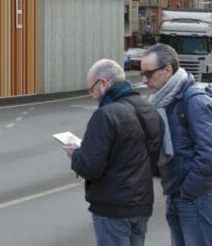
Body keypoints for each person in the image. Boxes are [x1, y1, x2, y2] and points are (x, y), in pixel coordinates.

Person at [64, 58, 163, 246]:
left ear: (104, 83)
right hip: (142, 204)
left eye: (92, 89)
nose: (92, 96)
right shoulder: (149, 109)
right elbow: (153, 157)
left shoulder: (106, 115)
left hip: (113, 208)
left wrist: (75, 154)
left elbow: (90, 167)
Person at [141, 42, 212, 246]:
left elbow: (208, 155)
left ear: (168, 70)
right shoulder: (163, 101)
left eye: (149, 73)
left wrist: (188, 190)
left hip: (194, 197)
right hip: (176, 193)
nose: (144, 80)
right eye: (142, 73)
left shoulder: (193, 101)